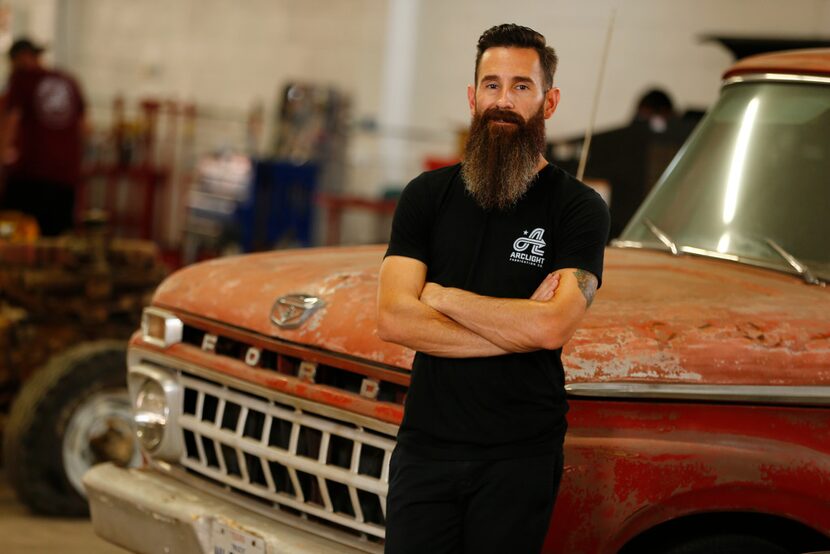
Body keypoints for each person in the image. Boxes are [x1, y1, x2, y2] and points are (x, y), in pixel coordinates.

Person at [377, 24, 610, 554]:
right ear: (471, 96)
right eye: (491, 85)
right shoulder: (426, 196)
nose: (503, 101)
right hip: (426, 449)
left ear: (549, 102)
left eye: (522, 87)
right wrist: (519, 327)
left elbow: (553, 325)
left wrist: (442, 296)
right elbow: (392, 318)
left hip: (519, 455)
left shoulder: (579, 208)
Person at [0, 37, 86, 236]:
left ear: (22, 57)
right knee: (58, 240)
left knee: (14, 235)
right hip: (66, 176)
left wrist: (2, 157)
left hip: (31, 175)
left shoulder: (22, 79)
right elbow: (84, 126)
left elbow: (11, 122)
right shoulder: (69, 80)